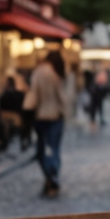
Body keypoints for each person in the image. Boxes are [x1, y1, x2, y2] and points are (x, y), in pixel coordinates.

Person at [29, 50, 67, 198]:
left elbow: (34, 94)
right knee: (54, 148)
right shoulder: (58, 73)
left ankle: (49, 178)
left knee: (42, 150)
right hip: (56, 115)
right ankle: (53, 176)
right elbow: (63, 97)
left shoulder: (39, 72)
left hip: (40, 116)